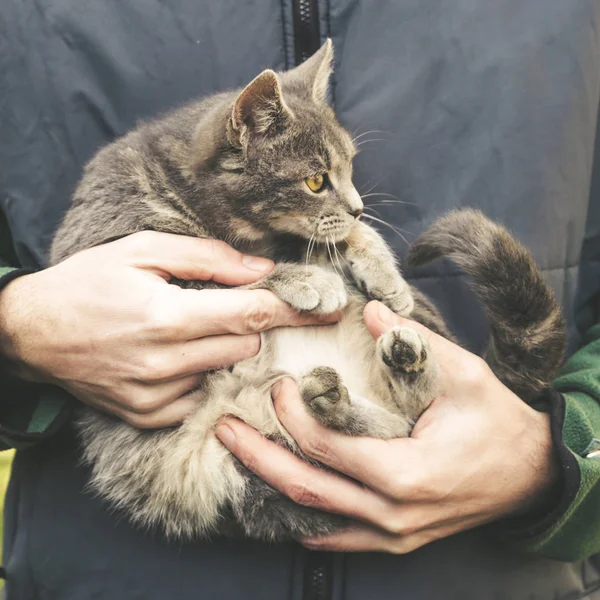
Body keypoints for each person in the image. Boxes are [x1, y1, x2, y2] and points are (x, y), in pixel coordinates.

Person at [1, 1, 599, 598]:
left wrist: (559, 462)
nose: (359, 203)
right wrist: (13, 323)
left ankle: (390, 409)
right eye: (323, 181)